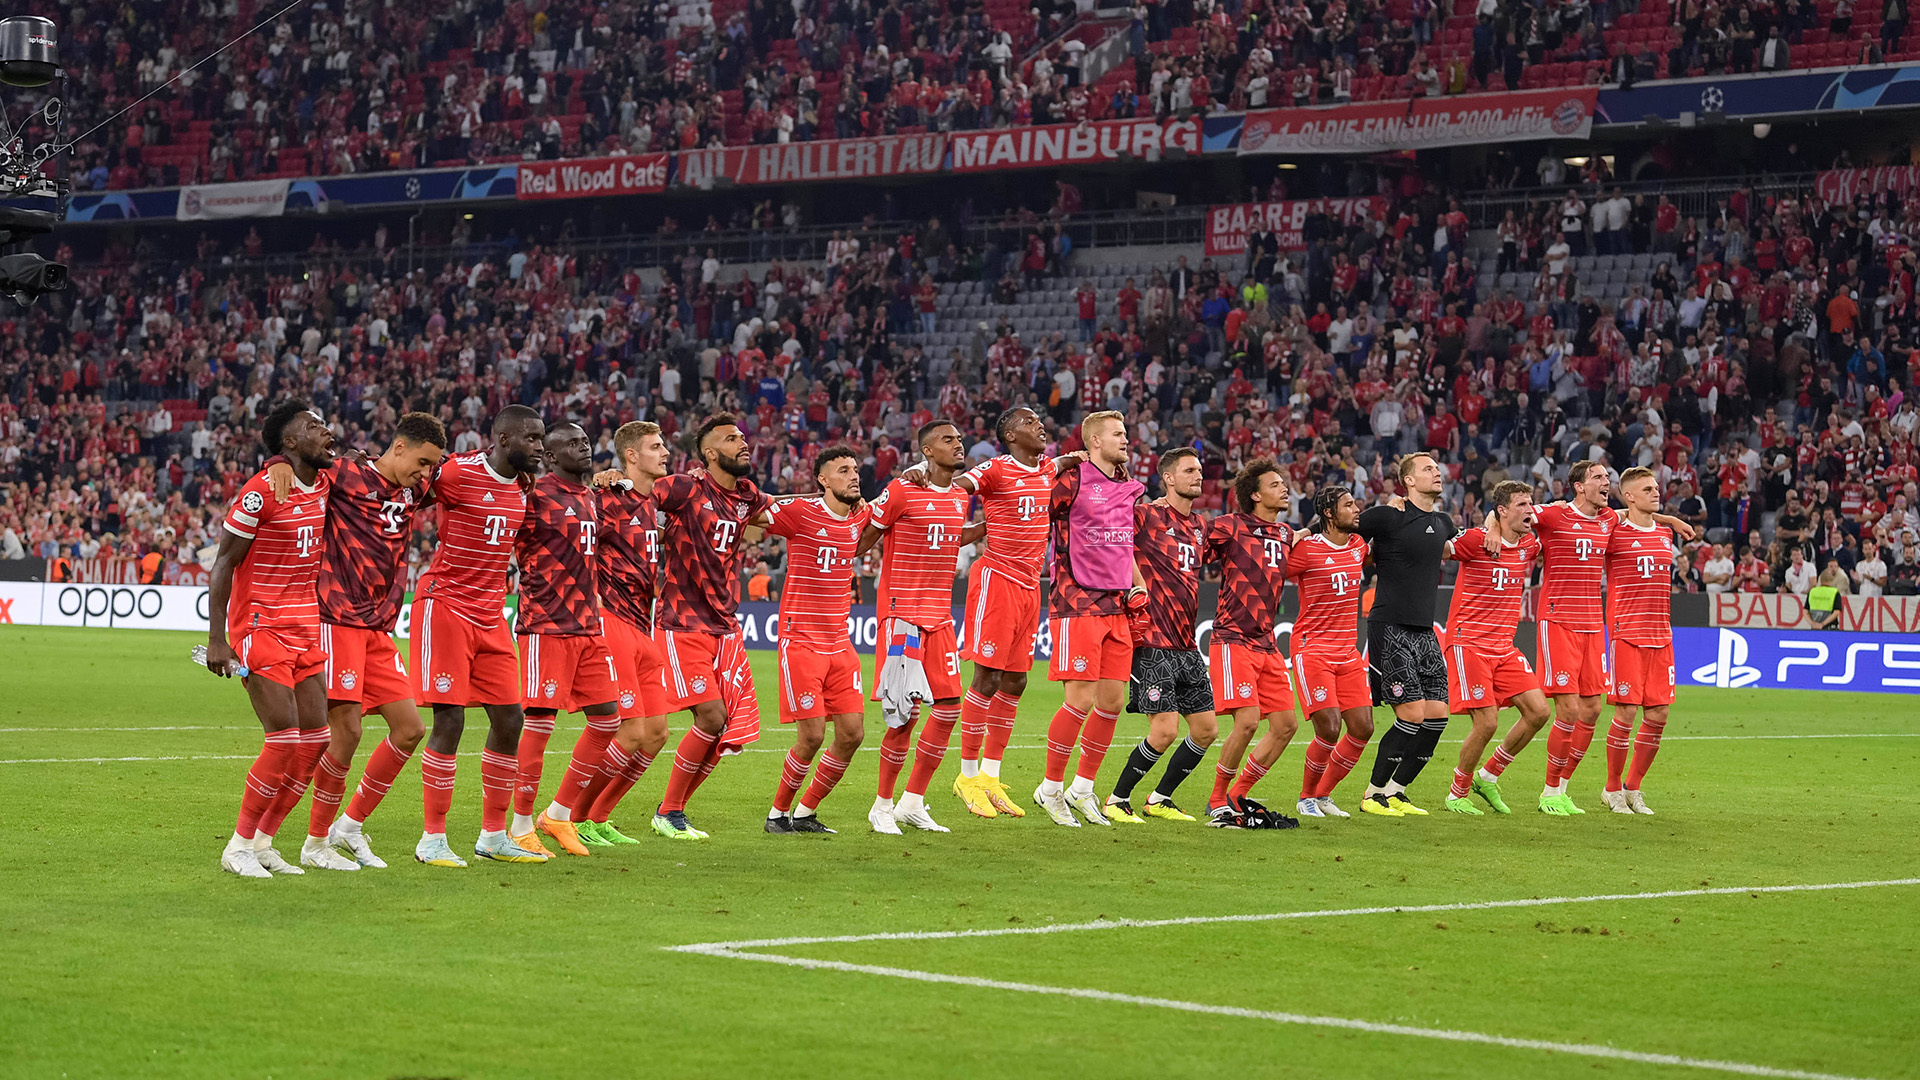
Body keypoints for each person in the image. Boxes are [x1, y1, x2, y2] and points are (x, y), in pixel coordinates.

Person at [263, 412, 448, 868]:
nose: (426, 474)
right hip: (336, 617)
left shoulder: (414, 488)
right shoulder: (345, 473)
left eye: (431, 467)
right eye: (421, 462)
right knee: (344, 732)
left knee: (409, 730)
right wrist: (274, 461)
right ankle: (314, 843)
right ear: (399, 447)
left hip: (379, 627)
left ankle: (348, 828)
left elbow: (473, 467)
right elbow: (300, 458)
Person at [408, 404, 548, 866]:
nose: (539, 446)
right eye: (531, 438)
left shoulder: (525, 486)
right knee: (450, 721)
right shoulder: (457, 473)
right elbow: (404, 486)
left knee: (511, 721)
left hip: (491, 615)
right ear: (504, 440)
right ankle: (432, 838)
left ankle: (493, 836)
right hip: (446, 605)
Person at [207, 399, 338, 879]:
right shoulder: (261, 492)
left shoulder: (325, 482)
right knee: (283, 739)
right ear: (288, 441)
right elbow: (223, 565)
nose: (326, 432)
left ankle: (264, 843)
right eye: (314, 426)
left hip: (305, 627)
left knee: (317, 739)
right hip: (259, 626)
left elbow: (375, 469)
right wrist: (217, 640)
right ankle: (237, 847)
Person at [648, 414, 776, 840]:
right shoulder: (685, 487)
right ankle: (667, 811)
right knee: (711, 715)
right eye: (730, 439)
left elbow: (775, 509)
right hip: (682, 620)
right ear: (709, 452)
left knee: (723, 726)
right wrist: (614, 479)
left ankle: (674, 809)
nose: (743, 443)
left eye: (742, 436)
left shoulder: (746, 495)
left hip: (725, 625)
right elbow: (641, 496)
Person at [496, 423, 621, 859]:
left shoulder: (590, 496)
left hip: (589, 625)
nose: (583, 447)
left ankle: (559, 814)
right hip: (545, 626)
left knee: (607, 720)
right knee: (540, 725)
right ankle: (519, 827)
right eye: (571, 443)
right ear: (548, 457)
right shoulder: (533, 494)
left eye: (585, 441)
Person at [855, 420, 981, 834]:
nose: (958, 443)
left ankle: (913, 802)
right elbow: (862, 538)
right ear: (927, 451)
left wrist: (987, 529)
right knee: (904, 714)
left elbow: (948, 536)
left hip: (940, 617)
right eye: (948, 439)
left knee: (948, 709)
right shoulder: (902, 489)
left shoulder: (961, 496)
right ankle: (881, 806)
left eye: (959, 438)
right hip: (902, 616)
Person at [551, 421, 672, 845]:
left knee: (656, 734)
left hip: (646, 625)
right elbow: (572, 543)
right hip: (613, 623)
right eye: (656, 447)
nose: (666, 453)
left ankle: (597, 817)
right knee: (629, 731)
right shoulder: (605, 498)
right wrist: (589, 598)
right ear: (632, 455)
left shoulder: (653, 500)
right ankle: (568, 814)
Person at [1034, 410, 1149, 827]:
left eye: (1126, 431)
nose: (1125, 438)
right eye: (1118, 433)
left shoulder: (1125, 486)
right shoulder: (1071, 480)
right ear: (1094, 441)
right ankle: (1049, 789)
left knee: (1112, 703)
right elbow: (1031, 506)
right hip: (1076, 603)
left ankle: (1082, 790)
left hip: (1117, 606)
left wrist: (1138, 584)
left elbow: (1124, 544)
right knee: (1079, 700)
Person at [948, 406, 1057, 819]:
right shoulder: (994, 469)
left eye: (1039, 420)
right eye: (1029, 422)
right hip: (997, 579)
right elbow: (958, 484)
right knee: (987, 676)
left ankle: (991, 777)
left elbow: (1069, 460)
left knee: (1016, 681)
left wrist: (1086, 456)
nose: (1040, 425)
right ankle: (968, 776)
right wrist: (926, 477)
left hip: (1031, 586)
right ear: (1010, 435)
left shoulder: (1048, 467)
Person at [762, 447, 869, 834]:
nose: (853, 475)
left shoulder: (862, 515)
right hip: (801, 640)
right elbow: (754, 513)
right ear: (823, 480)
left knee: (853, 734)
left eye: (855, 469)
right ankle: (777, 814)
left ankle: (806, 811)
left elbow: (887, 508)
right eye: (842, 470)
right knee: (812, 735)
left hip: (840, 642)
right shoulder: (801, 512)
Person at [1104, 448, 1215, 822]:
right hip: (1152, 639)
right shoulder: (1147, 515)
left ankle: (1160, 798)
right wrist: (1134, 586)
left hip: (1186, 643)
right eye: (1189, 470)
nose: (1197, 476)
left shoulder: (1200, 525)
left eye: (1199, 470)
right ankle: (1117, 800)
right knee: (1164, 730)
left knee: (1205, 730)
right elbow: (1113, 538)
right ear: (1168, 477)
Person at [1442, 481, 1552, 815]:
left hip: (1504, 647)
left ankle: (1488, 775)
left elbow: (1588, 513)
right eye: (1520, 504)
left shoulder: (1529, 545)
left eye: (1530, 503)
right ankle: (1457, 793)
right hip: (1468, 643)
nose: (1528, 510)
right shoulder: (1476, 540)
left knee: (1539, 711)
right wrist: (1487, 525)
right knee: (1487, 723)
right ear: (1502, 510)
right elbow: (1440, 547)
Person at [1203, 459, 1301, 829]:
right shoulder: (1229, 526)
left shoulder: (1286, 534)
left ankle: (1238, 793)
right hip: (1233, 639)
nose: (1285, 488)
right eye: (1276, 484)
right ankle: (1216, 799)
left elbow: (1303, 538)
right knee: (1247, 721)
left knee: (1286, 725)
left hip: (1266, 643)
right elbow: (1193, 547)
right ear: (1256, 495)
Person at [1358, 453, 1456, 816]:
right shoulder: (1388, 516)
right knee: (1411, 713)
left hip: (1424, 630)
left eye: (1437, 468)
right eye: (1428, 469)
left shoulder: (1444, 522)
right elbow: (1345, 528)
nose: (1437, 473)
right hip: (1390, 626)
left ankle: (1397, 791)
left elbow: (1465, 543)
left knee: (1437, 715)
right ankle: (1372, 795)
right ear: (1408, 481)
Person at [1287, 486, 1373, 820]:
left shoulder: (1358, 546)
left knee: (1363, 727)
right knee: (1329, 728)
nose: (1356, 509)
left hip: (1347, 651)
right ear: (1328, 513)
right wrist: (1296, 536)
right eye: (1348, 505)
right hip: (1313, 649)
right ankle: (1306, 797)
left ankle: (1323, 795)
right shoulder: (1307, 550)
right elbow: (1274, 572)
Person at [1602, 467, 1683, 815]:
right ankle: (1612, 788)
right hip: (1627, 634)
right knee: (1626, 711)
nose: (1656, 492)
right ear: (1629, 496)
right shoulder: (1613, 531)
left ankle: (1634, 788)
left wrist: (1671, 520)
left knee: (1660, 713)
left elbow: (1657, 518)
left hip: (1661, 636)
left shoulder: (1666, 534)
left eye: (1656, 487)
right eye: (1647, 489)